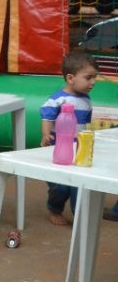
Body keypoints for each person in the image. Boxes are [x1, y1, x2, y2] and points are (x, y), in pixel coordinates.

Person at [38, 51, 99, 226]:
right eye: (88, 78)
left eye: (94, 77)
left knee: (78, 186)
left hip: (77, 150)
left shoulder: (86, 100)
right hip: (58, 150)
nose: (93, 82)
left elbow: (84, 126)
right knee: (60, 187)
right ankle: (54, 208)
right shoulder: (58, 99)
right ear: (71, 78)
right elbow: (47, 118)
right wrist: (46, 135)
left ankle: (79, 214)